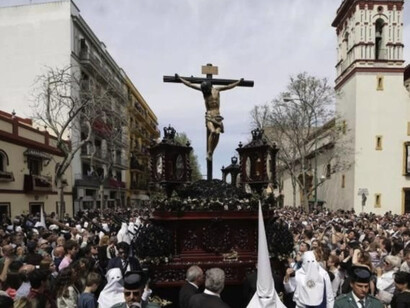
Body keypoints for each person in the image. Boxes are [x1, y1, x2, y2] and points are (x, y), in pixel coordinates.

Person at [176, 74, 243, 160]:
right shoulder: (204, 92)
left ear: (209, 87)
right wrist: (180, 79)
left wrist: (238, 82)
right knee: (213, 132)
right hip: (209, 116)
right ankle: (209, 152)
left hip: (218, 117)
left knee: (218, 133)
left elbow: (229, 86)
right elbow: (190, 85)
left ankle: (211, 151)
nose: (205, 92)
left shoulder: (217, 90)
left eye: (206, 90)